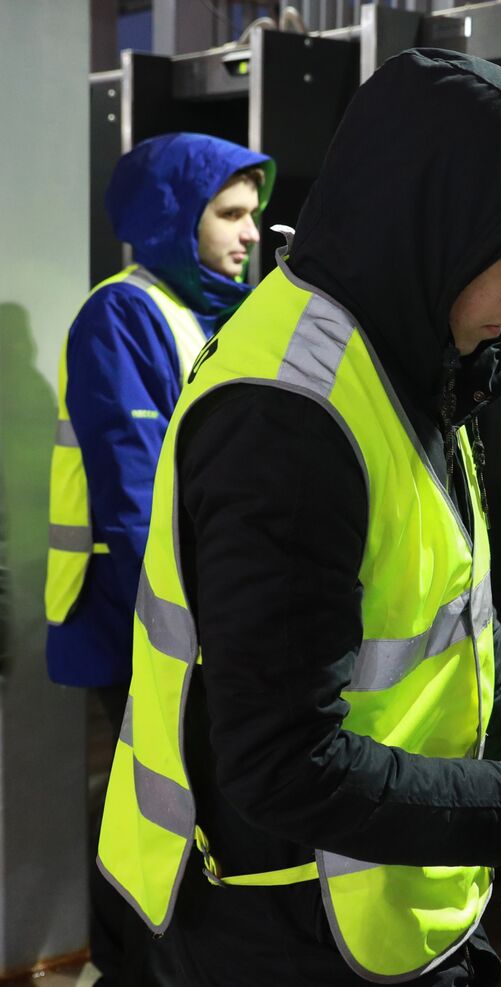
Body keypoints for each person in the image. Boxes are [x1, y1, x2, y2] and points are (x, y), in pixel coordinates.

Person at [96, 50, 501, 986]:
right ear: (432, 223)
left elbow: (462, 611)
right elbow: (287, 762)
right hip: (285, 926)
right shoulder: (291, 417)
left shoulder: (401, 354)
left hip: (377, 899)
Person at [44, 131, 271, 986]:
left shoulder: (213, 309)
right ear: (176, 216)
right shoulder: (123, 312)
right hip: (143, 614)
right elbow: (136, 495)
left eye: (254, 214)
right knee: (162, 804)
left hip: (189, 613)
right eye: (231, 213)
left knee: (173, 799)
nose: (249, 234)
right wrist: (210, 619)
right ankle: (128, 963)